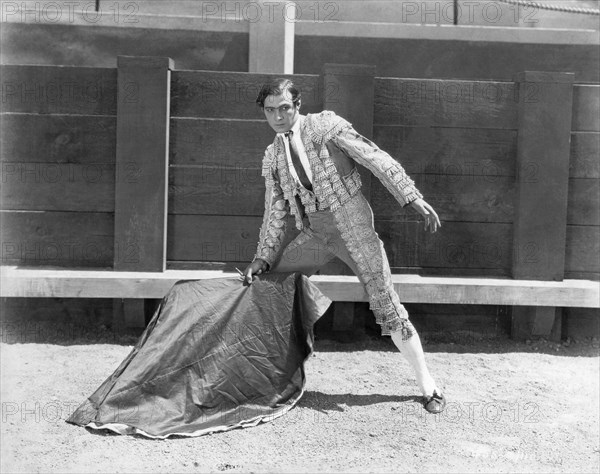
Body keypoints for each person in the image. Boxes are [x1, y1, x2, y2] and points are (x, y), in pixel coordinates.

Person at [243, 78, 446, 414]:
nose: (278, 116)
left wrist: (409, 196)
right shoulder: (273, 155)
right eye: (270, 110)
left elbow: (373, 156)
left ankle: (428, 386)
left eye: (284, 108)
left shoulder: (326, 126)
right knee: (270, 286)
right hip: (317, 234)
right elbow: (275, 209)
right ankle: (273, 377)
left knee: (388, 306)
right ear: (263, 113)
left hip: (354, 230)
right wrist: (263, 257)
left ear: (297, 105)